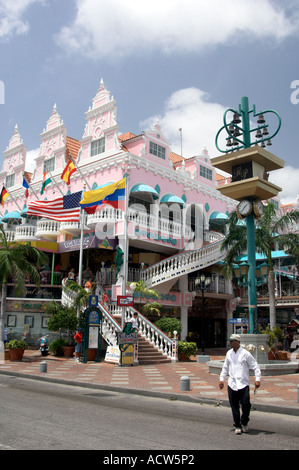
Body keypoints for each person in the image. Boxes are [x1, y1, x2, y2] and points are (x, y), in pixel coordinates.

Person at [219, 334, 261, 435]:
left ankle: (244, 422)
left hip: (243, 384)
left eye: (232, 341)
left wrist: (257, 379)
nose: (230, 343)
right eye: (230, 341)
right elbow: (225, 367)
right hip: (232, 384)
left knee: (246, 405)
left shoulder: (245, 354)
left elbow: (255, 366)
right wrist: (221, 380)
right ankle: (237, 425)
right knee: (234, 406)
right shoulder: (229, 353)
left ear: (238, 342)